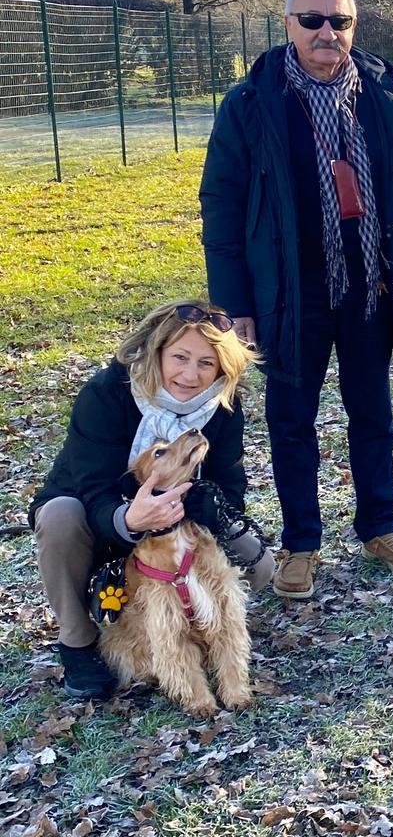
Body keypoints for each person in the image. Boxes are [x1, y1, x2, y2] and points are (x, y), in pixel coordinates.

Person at [199, 0, 393, 600]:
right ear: (288, 26)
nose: (327, 33)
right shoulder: (253, 103)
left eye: (340, 22)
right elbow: (221, 206)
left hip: (370, 285)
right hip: (288, 292)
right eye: (313, 21)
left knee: (373, 415)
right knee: (291, 420)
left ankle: (379, 527)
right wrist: (236, 303)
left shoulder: (386, 98)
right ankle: (301, 542)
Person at [30, 300, 273, 700]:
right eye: (180, 357)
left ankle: (202, 624)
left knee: (258, 565)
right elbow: (92, 487)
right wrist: (130, 519)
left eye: (206, 364)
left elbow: (230, 483)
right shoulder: (107, 393)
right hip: (99, 517)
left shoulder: (223, 406)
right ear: (156, 351)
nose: (190, 375)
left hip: (179, 526)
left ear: (222, 368)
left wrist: (210, 505)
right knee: (59, 515)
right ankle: (78, 640)